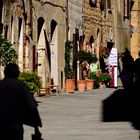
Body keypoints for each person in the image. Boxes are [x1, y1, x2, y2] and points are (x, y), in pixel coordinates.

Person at [0, 63, 42, 140]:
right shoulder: (21, 86)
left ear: (5, 73)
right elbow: (32, 106)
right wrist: (36, 127)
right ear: (17, 73)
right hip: (16, 126)